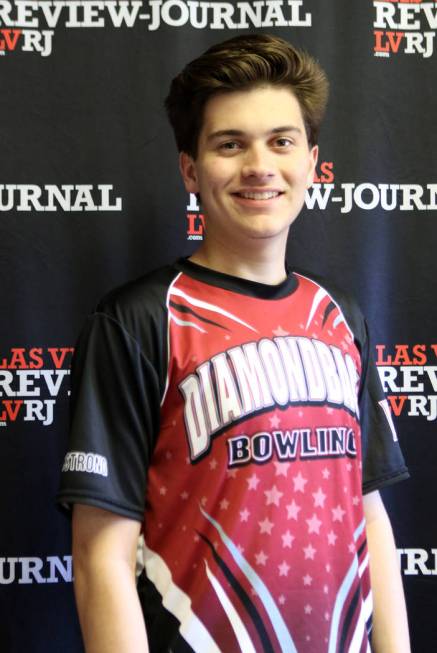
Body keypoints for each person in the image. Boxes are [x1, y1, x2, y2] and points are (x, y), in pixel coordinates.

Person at [57, 34, 411, 653]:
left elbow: (370, 516)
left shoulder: (340, 315)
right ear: (190, 169)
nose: (259, 166)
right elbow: (99, 557)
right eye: (230, 144)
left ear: (311, 160)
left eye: (282, 141)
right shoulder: (136, 320)